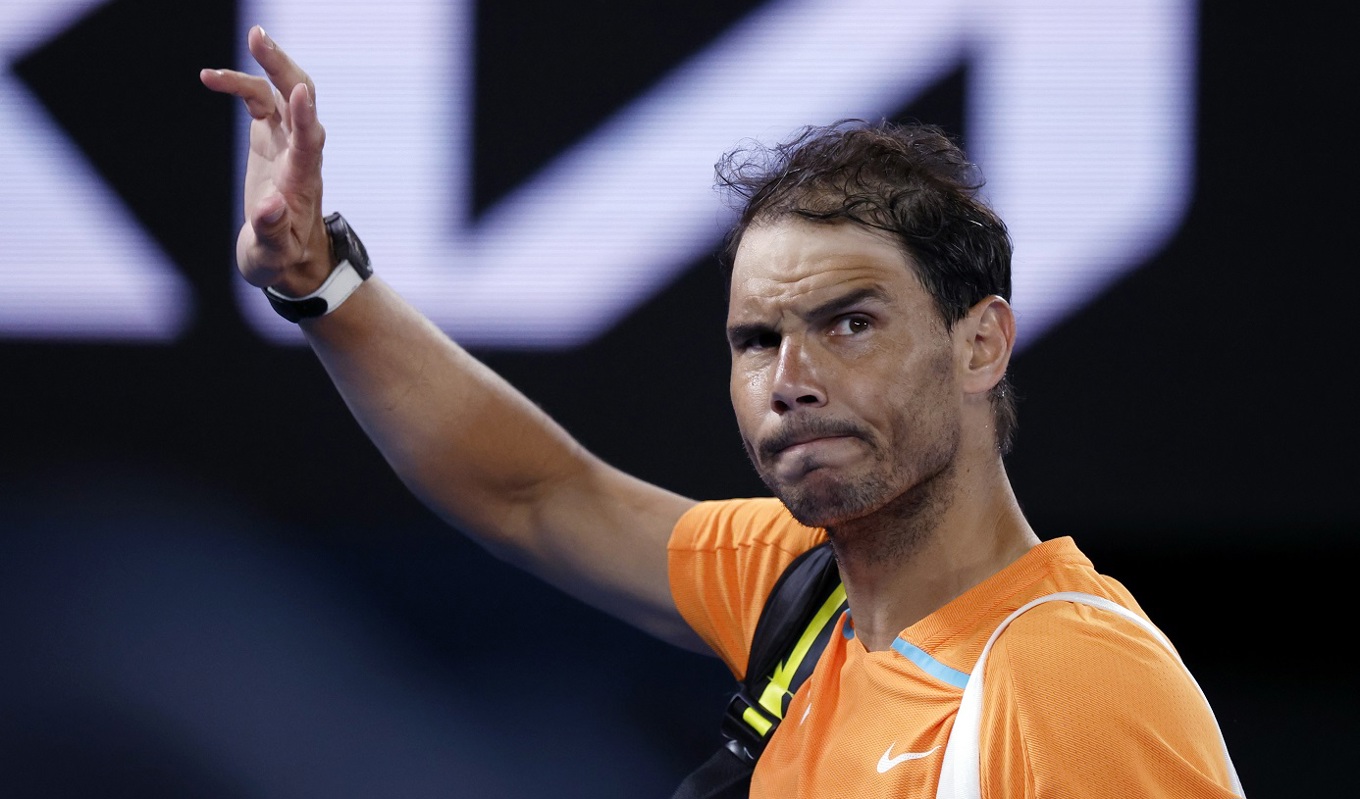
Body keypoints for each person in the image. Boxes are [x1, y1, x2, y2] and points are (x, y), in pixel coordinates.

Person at [200, 26, 1245, 799]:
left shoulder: (1070, 686)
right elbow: (537, 494)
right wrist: (320, 282)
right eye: (756, 339)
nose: (791, 377)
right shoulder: (805, 587)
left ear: (981, 344)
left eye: (849, 323)